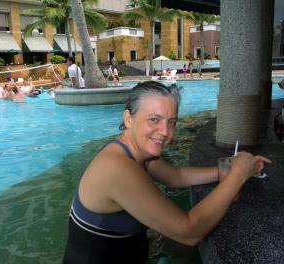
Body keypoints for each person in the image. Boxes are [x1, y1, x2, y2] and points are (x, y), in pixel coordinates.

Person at [63, 81, 271, 264]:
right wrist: (237, 176)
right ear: (128, 118)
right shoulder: (116, 168)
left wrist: (227, 168)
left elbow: (175, 176)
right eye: (154, 119)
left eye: (171, 122)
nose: (165, 132)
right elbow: (189, 232)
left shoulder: (136, 152)